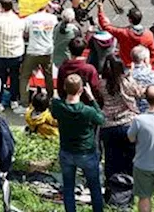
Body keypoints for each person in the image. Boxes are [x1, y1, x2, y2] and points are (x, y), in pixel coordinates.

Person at [53, 73, 105, 212]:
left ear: (64, 87)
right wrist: (92, 98)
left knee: (68, 188)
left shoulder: (58, 106)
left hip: (66, 152)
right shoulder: (88, 111)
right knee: (95, 188)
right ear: (82, 90)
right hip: (86, 152)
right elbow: (101, 119)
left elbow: (54, 111)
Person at [100, 57, 143, 183]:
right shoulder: (126, 82)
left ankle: (112, 185)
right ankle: (129, 184)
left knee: (111, 158)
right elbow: (139, 93)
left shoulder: (101, 83)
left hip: (108, 124)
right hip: (127, 123)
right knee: (130, 157)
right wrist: (130, 76)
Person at [0, 0, 26, 112]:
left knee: (0, 79)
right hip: (16, 53)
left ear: (1, 7)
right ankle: (14, 100)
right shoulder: (18, 20)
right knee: (15, 78)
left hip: (0, 54)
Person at [21, 3, 57, 103]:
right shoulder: (53, 18)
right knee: (48, 76)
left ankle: (24, 101)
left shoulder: (30, 18)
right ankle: (50, 98)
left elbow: (25, 32)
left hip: (33, 50)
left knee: (25, 76)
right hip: (47, 51)